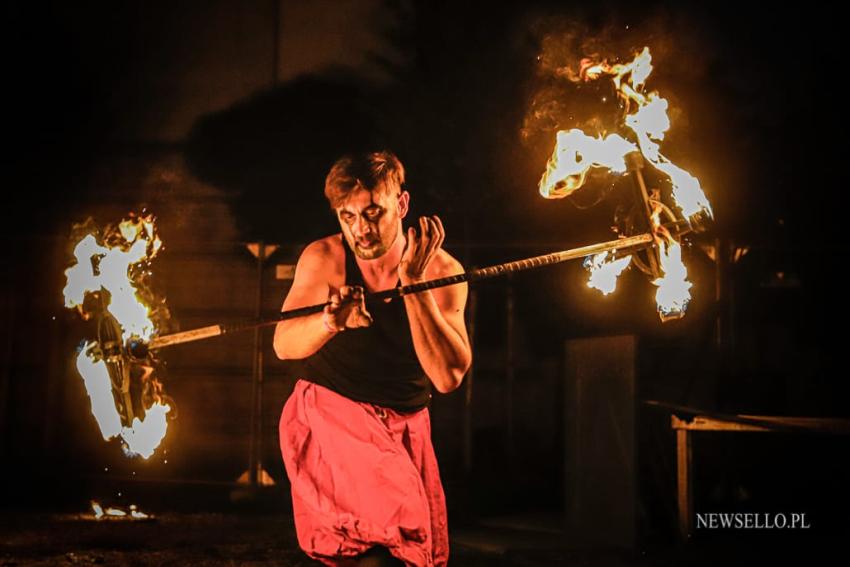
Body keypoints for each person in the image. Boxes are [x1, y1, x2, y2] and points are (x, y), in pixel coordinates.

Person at [274, 150, 472, 566]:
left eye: (372, 213)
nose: (360, 230)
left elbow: (448, 376)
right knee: (392, 536)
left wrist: (413, 284)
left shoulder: (441, 271)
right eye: (347, 217)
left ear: (401, 204)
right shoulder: (325, 258)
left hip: (406, 423)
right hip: (333, 414)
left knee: (406, 554)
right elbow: (284, 345)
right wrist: (330, 323)